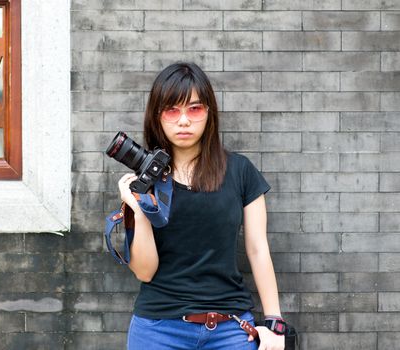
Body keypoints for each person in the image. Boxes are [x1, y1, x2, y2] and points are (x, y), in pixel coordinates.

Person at [117, 62, 286, 350]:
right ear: (157, 116)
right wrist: (138, 208)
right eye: (172, 110)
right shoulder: (146, 180)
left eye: (194, 109)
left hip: (231, 330)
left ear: (209, 113)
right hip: (158, 330)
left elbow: (258, 249)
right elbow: (145, 272)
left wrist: (274, 323)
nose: (183, 121)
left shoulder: (240, 171)